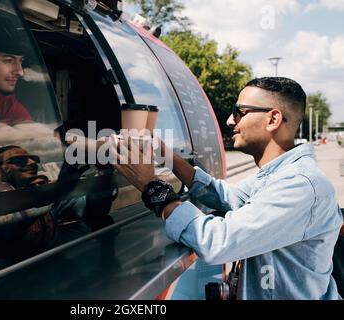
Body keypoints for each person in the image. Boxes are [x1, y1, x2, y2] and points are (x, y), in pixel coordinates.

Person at [113, 77, 343, 300]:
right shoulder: (280, 175)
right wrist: (165, 154)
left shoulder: (300, 184)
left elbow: (217, 242)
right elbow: (228, 196)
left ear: (273, 119)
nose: (230, 121)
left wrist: (152, 188)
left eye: (239, 112)